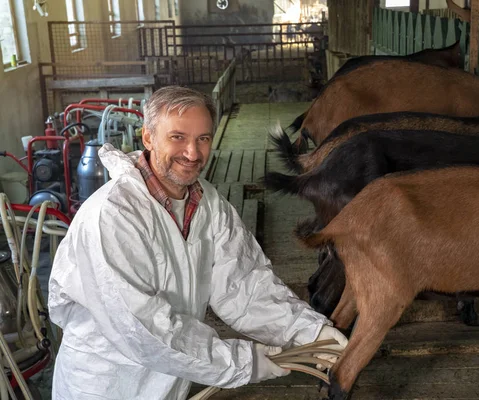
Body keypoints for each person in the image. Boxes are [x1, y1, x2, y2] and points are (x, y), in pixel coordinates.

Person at [48, 86, 348, 400]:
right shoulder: (112, 217)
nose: (192, 153)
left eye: (203, 138)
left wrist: (310, 331)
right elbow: (142, 329)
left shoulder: (207, 204)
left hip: (171, 380)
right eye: (178, 137)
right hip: (108, 386)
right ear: (148, 137)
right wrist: (242, 362)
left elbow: (243, 286)